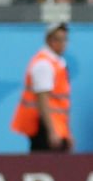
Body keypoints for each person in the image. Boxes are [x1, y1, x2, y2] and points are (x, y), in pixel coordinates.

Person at [11, 23, 73, 153]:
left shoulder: (57, 62)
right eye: (58, 39)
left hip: (57, 126)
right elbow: (42, 100)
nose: (63, 43)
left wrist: (67, 132)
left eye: (65, 39)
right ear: (49, 40)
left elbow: (59, 104)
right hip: (44, 126)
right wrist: (51, 132)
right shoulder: (44, 64)